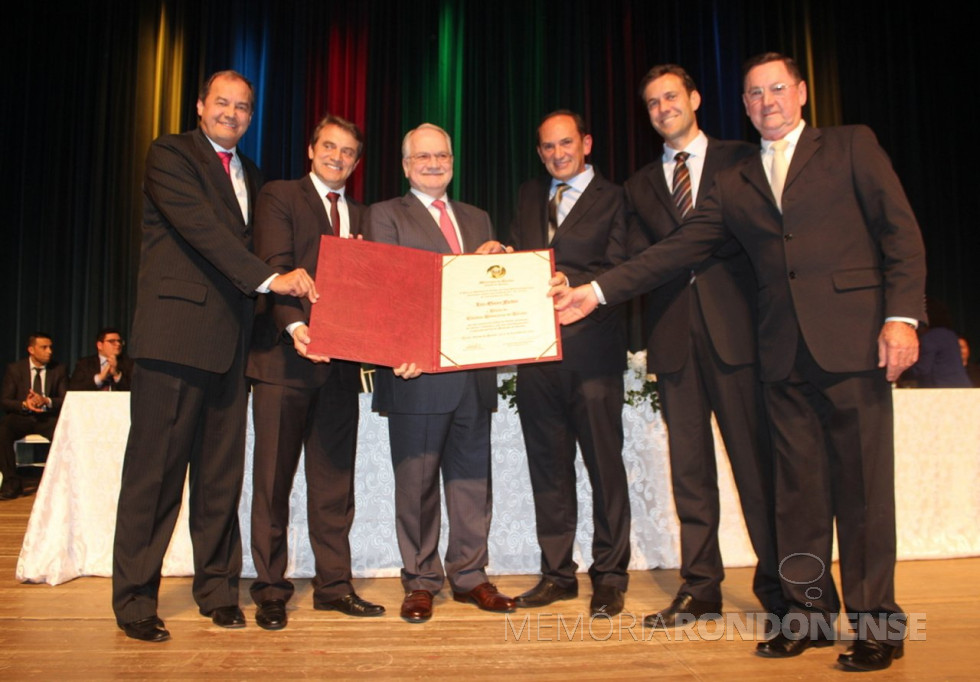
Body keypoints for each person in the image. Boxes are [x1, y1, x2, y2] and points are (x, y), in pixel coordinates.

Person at [552, 53, 926, 672]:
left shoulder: (850, 146)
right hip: (778, 355)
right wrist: (594, 292)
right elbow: (683, 246)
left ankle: (877, 626)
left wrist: (902, 316)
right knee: (797, 501)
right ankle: (805, 618)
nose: (766, 102)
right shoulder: (741, 178)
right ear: (743, 104)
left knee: (861, 495)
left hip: (851, 344)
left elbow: (900, 234)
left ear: (801, 93)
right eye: (754, 95)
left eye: (777, 89)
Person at [112, 70, 317, 643]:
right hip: (176, 338)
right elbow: (203, 230)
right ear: (200, 105)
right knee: (154, 477)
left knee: (220, 479)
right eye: (222, 103)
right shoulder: (170, 154)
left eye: (243, 107)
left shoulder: (251, 175)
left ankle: (218, 590)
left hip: (232, 346)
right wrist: (274, 278)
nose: (232, 113)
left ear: (252, 116)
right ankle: (134, 600)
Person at [626, 65, 785, 629]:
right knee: (689, 476)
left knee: (757, 468)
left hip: (740, 336)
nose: (663, 107)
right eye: (651, 103)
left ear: (694, 98)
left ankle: (782, 586)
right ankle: (701, 589)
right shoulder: (639, 185)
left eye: (671, 96)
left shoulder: (744, 159)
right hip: (673, 343)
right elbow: (630, 261)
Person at [366, 123, 515, 623]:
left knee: (473, 481)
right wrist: (471, 266)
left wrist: (503, 273)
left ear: (453, 161)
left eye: (442, 156)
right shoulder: (385, 215)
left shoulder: (477, 217)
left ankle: (471, 575)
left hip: (473, 372)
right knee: (418, 484)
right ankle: (422, 580)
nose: (434, 164)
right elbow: (389, 293)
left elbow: (486, 291)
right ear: (406, 165)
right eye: (423, 157)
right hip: (417, 372)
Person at [245, 114, 383, 630]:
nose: (338, 157)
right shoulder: (280, 196)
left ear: (356, 161)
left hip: (342, 371)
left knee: (333, 487)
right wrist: (297, 327)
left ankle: (333, 586)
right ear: (311, 149)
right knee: (273, 484)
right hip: (284, 360)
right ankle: (271, 590)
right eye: (329, 146)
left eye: (348, 151)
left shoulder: (366, 214)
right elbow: (275, 266)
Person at [508, 110, 631, 617]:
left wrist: (576, 284)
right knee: (549, 470)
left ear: (586, 143)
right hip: (537, 357)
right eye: (547, 147)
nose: (558, 154)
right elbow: (523, 262)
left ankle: (610, 575)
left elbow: (624, 269)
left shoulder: (617, 198)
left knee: (604, 467)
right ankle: (558, 574)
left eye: (566, 144)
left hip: (594, 354)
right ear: (540, 152)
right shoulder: (527, 196)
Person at [0, 333, 67, 499]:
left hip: (47, 418)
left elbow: (66, 399)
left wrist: (47, 401)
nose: (49, 351)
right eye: (44, 347)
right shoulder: (15, 369)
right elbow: (5, 401)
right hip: (23, 416)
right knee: (3, 431)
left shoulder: (58, 369)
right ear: (31, 349)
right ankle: (11, 482)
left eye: (50, 347)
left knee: (65, 433)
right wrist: (24, 404)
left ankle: (59, 483)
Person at [68, 327, 134, 391]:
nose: (118, 344)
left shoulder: (129, 363)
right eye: (112, 341)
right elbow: (74, 389)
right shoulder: (84, 364)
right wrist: (100, 378)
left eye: (119, 341)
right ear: (100, 345)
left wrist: (116, 374)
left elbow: (135, 390)